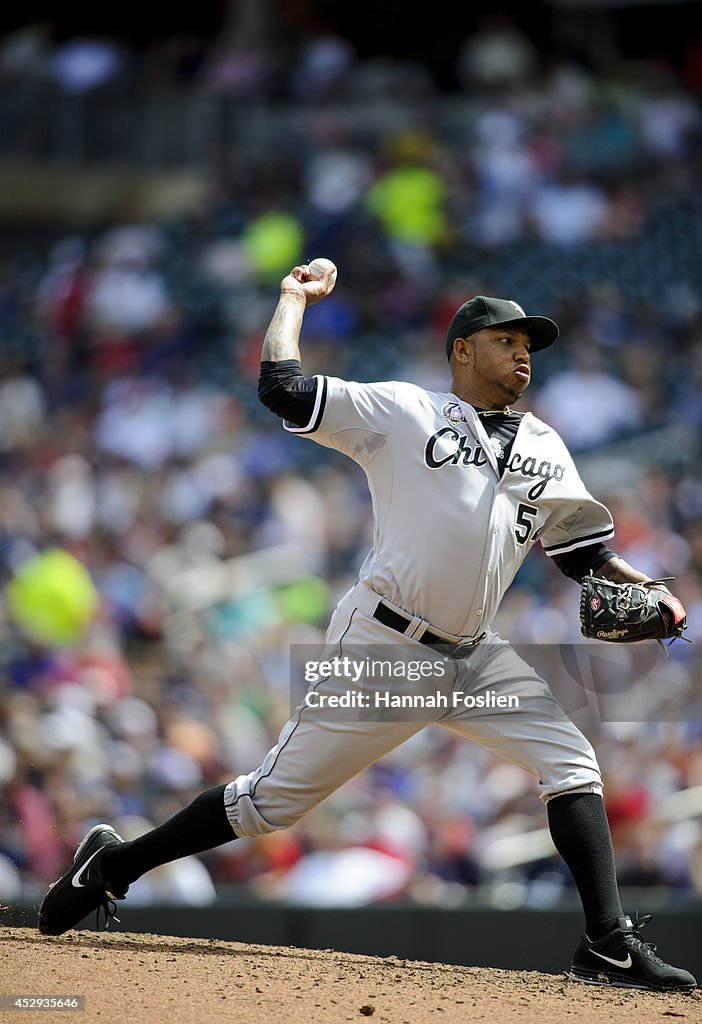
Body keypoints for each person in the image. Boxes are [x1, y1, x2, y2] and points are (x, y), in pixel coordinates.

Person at [38, 262, 696, 992]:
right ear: (462, 351)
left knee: (572, 764)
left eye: (529, 345)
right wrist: (291, 300)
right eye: (505, 339)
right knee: (269, 805)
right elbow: (282, 388)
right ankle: (116, 863)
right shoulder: (404, 412)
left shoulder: (545, 444)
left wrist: (650, 591)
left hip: (476, 657)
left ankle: (606, 942)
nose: (522, 354)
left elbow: (582, 552)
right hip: (387, 646)